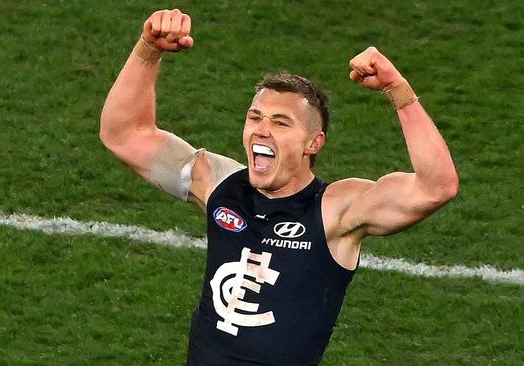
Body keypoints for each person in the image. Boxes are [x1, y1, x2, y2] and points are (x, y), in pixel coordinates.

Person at [100, 8, 458, 366]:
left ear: (313, 143)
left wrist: (398, 90)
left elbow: (436, 186)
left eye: (281, 122)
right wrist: (149, 49)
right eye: (255, 117)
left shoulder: (336, 210)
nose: (261, 129)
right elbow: (125, 135)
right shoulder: (220, 185)